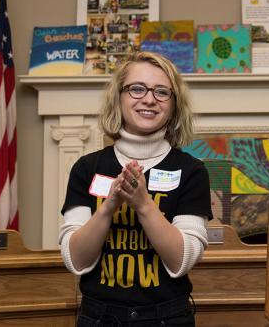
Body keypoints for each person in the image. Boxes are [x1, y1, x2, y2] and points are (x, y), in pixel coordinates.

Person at [59, 51, 212, 326]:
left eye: (162, 92)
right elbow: (76, 261)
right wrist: (108, 207)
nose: (150, 99)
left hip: (167, 318)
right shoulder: (86, 168)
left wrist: (143, 205)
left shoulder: (192, 171)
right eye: (137, 89)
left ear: (174, 105)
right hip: (99, 318)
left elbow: (182, 261)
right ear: (119, 96)